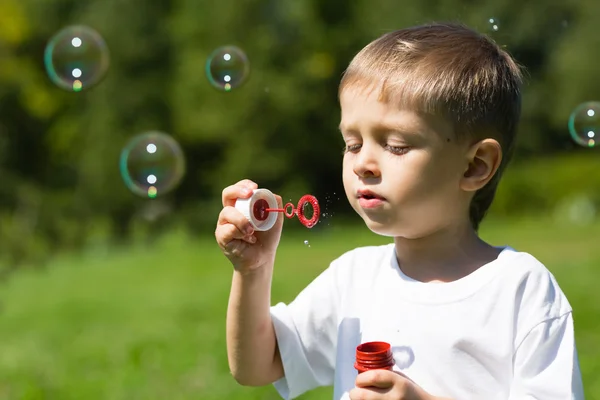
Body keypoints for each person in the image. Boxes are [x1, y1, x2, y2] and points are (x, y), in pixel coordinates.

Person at [215, 22, 585, 400]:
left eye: (395, 145)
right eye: (353, 144)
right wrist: (253, 270)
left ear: (475, 166)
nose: (363, 164)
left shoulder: (520, 290)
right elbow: (258, 364)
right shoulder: (353, 280)